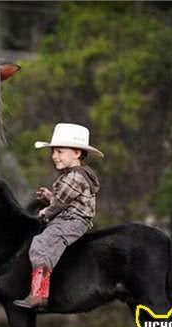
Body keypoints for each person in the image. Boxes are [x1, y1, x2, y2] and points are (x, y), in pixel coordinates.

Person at [13, 123, 104, 309]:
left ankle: (39, 294)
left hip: (71, 221)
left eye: (60, 151)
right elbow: (65, 199)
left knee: (40, 245)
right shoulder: (75, 175)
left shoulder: (74, 177)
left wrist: (45, 212)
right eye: (53, 152)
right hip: (71, 217)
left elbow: (59, 205)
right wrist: (49, 197)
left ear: (77, 153)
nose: (54, 156)